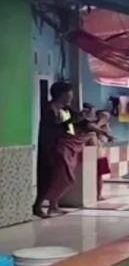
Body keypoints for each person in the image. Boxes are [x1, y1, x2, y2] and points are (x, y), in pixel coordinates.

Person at [32, 82, 92, 218]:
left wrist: (79, 119)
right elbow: (53, 129)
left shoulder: (66, 109)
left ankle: (53, 205)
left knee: (59, 177)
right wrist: (71, 121)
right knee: (46, 177)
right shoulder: (49, 109)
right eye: (69, 94)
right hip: (49, 148)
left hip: (62, 146)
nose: (71, 97)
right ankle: (38, 206)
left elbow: (74, 124)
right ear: (62, 94)